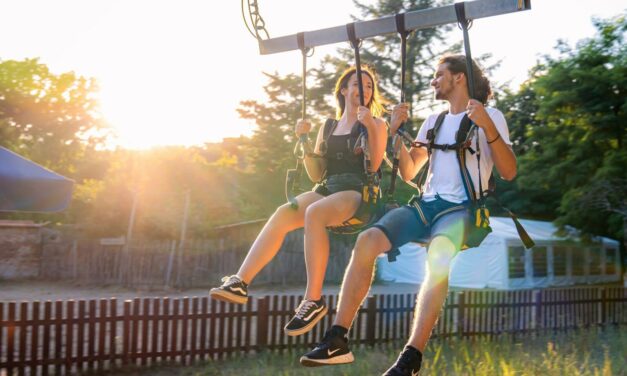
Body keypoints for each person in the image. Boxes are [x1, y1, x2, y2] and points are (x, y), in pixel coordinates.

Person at [299, 54, 517, 375]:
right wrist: (394, 132)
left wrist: (486, 125)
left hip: (462, 208)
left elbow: (509, 171)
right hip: (426, 204)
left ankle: (411, 356)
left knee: (439, 254)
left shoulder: (490, 116)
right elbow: (409, 171)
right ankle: (337, 339)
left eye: (439, 74)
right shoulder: (434, 121)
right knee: (368, 240)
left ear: (459, 78)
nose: (433, 80)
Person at [210, 65, 390, 337]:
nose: (363, 90)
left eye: (368, 86)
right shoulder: (328, 126)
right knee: (284, 212)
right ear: (344, 89)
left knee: (315, 213)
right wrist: (304, 140)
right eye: (357, 84)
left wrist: (370, 128)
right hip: (327, 187)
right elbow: (316, 173)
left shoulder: (376, 124)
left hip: (358, 192)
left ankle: (312, 300)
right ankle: (240, 282)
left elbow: (374, 165)